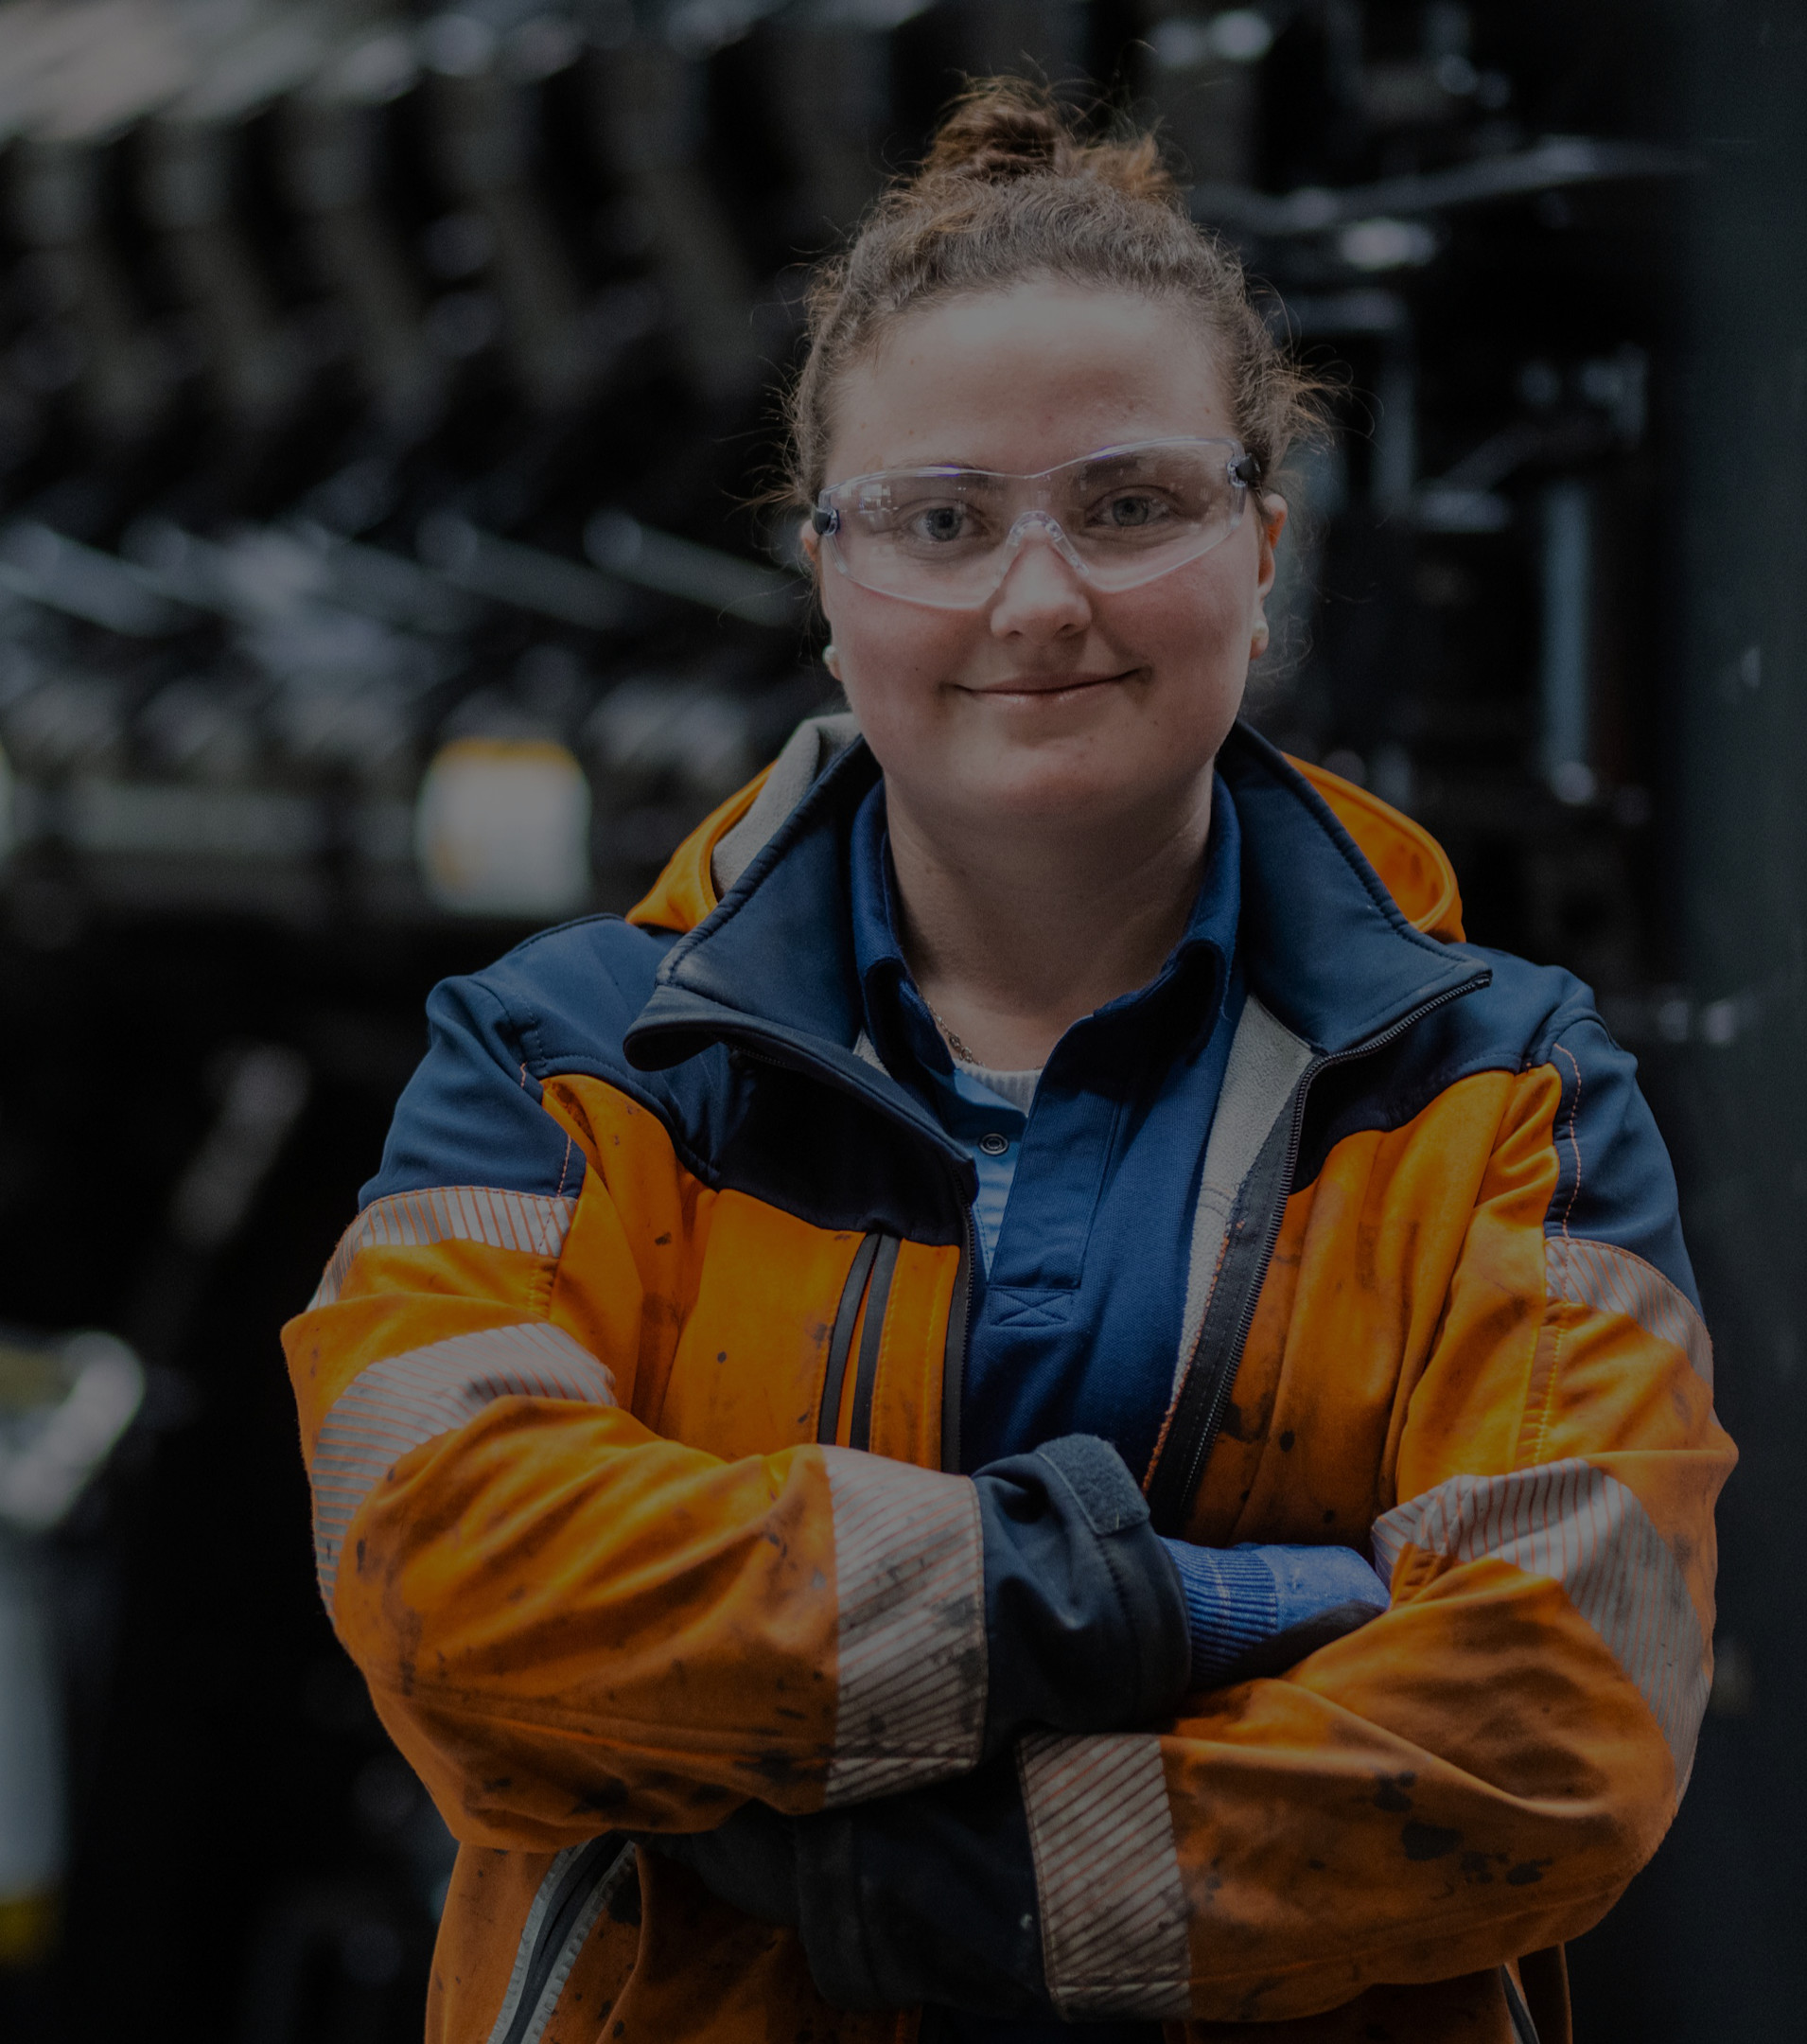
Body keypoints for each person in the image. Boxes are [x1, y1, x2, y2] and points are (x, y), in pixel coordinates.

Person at [284, 79, 1732, 2044]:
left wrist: (922, 1887)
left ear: (1265, 546)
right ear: (827, 578)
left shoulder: (1494, 1099)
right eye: (941, 522)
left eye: (1131, 506)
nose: (1039, 600)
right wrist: (1175, 1607)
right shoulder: (568, 1065)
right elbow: (456, 1586)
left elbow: (1568, 1715)